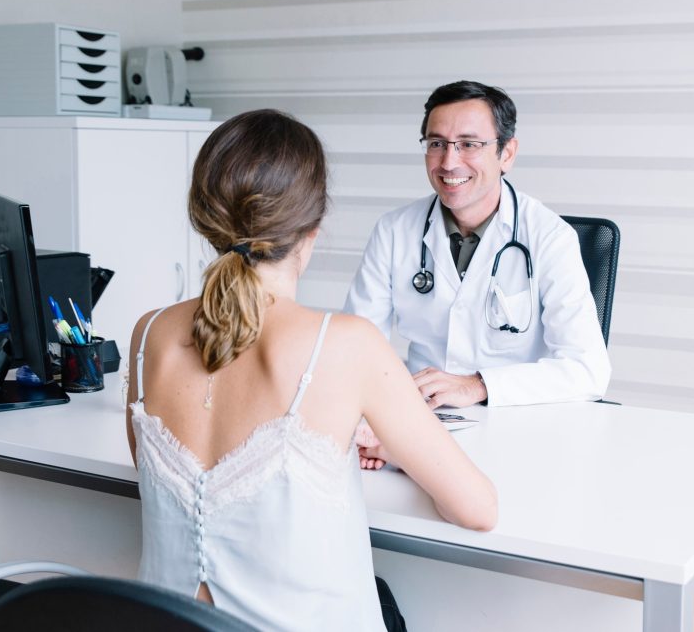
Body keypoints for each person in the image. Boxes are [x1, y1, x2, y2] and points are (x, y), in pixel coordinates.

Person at [125, 109, 497, 631]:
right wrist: (397, 447)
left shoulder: (148, 335)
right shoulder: (346, 345)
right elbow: (478, 508)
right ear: (313, 227)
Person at [344, 80, 611, 412]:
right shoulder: (394, 231)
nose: (449, 162)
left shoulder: (549, 237)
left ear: (507, 153)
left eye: (469, 144)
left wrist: (479, 385)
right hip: (420, 417)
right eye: (437, 143)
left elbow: (588, 371)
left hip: (515, 417)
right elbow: (355, 348)